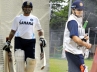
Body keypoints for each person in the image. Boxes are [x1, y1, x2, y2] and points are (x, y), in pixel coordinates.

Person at [3, 1, 46, 72]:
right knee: (19, 60)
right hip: (19, 40)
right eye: (25, 7)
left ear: (31, 9)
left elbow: (40, 30)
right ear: (22, 8)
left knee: (31, 62)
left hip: (31, 41)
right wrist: (8, 41)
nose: (27, 9)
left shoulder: (35, 18)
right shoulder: (17, 18)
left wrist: (42, 38)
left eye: (29, 7)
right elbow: (13, 31)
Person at [63, 0, 92, 72]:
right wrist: (86, 44)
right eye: (78, 10)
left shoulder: (77, 21)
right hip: (74, 52)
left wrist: (84, 38)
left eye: (82, 10)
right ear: (73, 10)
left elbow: (78, 37)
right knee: (83, 70)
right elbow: (75, 39)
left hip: (73, 51)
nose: (81, 12)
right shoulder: (73, 22)